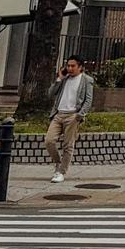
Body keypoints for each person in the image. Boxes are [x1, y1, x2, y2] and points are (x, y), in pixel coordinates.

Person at [46, 55, 93, 183]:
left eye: (73, 66)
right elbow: (51, 94)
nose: (70, 68)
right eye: (68, 66)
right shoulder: (64, 79)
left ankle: (61, 172)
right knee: (49, 141)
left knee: (68, 145)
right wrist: (59, 79)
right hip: (59, 114)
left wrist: (80, 115)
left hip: (73, 115)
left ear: (80, 67)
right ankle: (58, 163)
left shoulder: (86, 80)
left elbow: (88, 100)